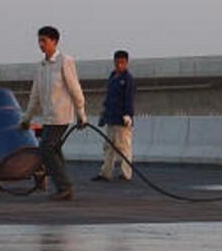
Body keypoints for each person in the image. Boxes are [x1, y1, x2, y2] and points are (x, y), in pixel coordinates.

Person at [19, 26, 87, 201]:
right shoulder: (41, 67)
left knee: (46, 148)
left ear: (55, 42)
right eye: (39, 41)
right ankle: (65, 186)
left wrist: (81, 112)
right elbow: (35, 95)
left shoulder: (65, 61)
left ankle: (64, 187)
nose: (41, 44)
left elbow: (74, 88)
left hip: (61, 115)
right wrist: (27, 118)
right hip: (48, 116)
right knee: (54, 149)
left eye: (44, 41)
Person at [92, 50, 136, 182]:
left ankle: (126, 174)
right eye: (117, 62)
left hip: (122, 119)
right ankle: (106, 172)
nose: (119, 65)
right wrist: (104, 114)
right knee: (108, 146)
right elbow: (109, 98)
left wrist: (128, 114)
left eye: (122, 63)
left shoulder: (128, 79)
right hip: (111, 117)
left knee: (124, 147)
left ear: (126, 63)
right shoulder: (112, 76)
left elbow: (129, 98)